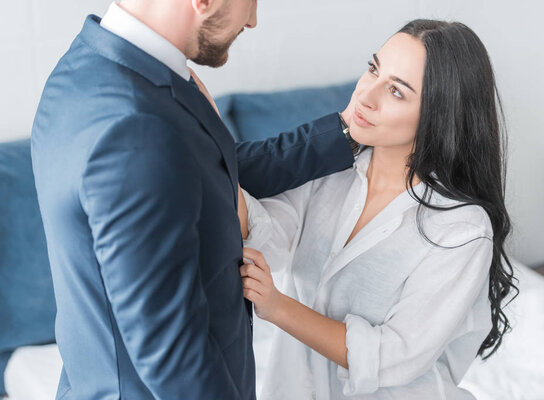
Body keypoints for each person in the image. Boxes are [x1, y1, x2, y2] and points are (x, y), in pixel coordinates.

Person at [30, 0, 357, 399]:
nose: (253, 20)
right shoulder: (136, 124)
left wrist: (348, 132)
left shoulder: (90, 66)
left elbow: (210, 169)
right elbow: (171, 352)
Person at [237, 19, 519, 399]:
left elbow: (393, 357)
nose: (365, 97)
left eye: (397, 92)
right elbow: (264, 234)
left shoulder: (462, 229)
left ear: (439, 114)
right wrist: (205, 144)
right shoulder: (330, 172)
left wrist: (278, 307)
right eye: (373, 69)